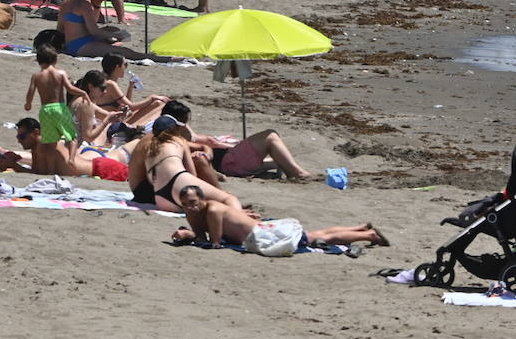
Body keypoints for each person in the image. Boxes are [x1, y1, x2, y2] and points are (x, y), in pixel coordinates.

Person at [171, 184, 387, 251]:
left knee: (316, 238)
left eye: (193, 202)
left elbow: (215, 243)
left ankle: (369, 236)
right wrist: (190, 234)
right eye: (186, 204)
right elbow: (201, 237)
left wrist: (192, 235)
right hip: (261, 230)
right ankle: (360, 229)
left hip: (264, 234)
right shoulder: (195, 213)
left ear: (202, 199)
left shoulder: (214, 210)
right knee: (315, 234)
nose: (190, 207)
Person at [161, 99, 311, 180]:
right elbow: (203, 150)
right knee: (270, 136)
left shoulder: (181, 130)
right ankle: (297, 174)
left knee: (277, 152)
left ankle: (291, 170)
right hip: (228, 162)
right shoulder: (177, 138)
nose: (187, 122)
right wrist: (221, 146)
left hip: (227, 157)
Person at [132, 115, 243, 211]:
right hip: (176, 183)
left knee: (206, 203)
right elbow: (192, 174)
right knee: (229, 199)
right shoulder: (179, 141)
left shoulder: (149, 145)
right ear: (174, 130)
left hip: (160, 198)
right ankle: (240, 215)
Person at [57, 0, 171, 61]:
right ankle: (159, 59)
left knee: (117, 42)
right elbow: (94, 31)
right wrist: (115, 35)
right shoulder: (84, 4)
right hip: (79, 45)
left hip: (73, 42)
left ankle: (155, 57)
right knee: (125, 52)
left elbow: (70, 26)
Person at [23, 44, 85, 175]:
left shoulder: (37, 76)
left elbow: (30, 92)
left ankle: (51, 171)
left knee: (51, 143)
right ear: (55, 60)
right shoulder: (60, 73)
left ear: (38, 60)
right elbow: (69, 88)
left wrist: (28, 104)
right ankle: (71, 159)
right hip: (59, 108)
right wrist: (83, 93)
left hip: (45, 110)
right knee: (72, 137)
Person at [5, 117, 129, 180]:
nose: (19, 140)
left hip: (102, 169)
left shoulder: (46, 144)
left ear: (35, 133)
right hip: (99, 167)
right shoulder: (37, 147)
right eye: (18, 137)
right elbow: (37, 173)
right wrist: (14, 164)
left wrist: (14, 166)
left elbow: (42, 175)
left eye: (22, 137)